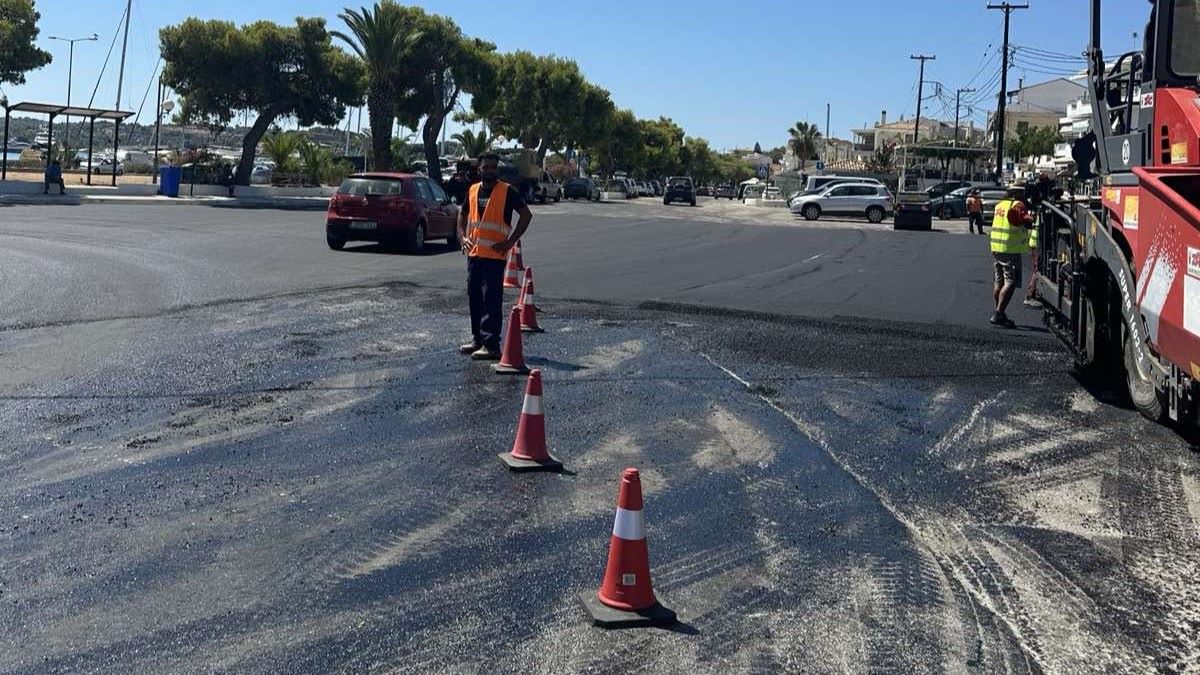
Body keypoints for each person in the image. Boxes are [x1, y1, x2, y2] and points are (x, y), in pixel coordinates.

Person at [457, 153, 533, 360]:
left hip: (495, 256)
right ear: (479, 169)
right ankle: (477, 339)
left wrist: (511, 242)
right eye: (486, 167)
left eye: (493, 167)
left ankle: (491, 344)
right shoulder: (472, 190)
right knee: (474, 297)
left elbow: (526, 215)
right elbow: (462, 214)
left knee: (491, 299)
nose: (489, 170)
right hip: (474, 254)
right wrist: (462, 238)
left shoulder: (507, 191)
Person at [990, 185, 1035, 328]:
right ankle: (998, 313)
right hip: (1011, 249)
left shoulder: (999, 205)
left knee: (999, 282)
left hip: (997, 248)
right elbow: (1024, 218)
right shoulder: (1018, 205)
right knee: (1011, 281)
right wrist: (1032, 218)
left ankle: (999, 313)